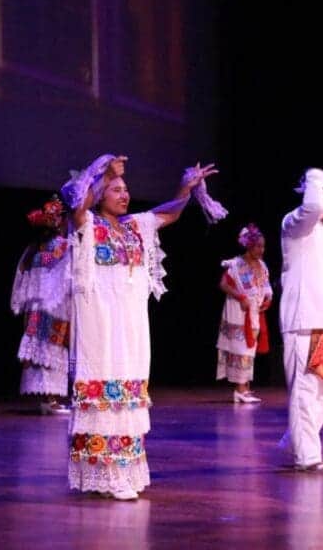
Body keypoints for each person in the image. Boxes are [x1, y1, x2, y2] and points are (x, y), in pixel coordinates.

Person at [62, 154, 218, 500]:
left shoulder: (135, 226)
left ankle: (124, 470)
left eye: (126, 189)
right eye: (115, 190)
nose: (124, 194)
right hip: (99, 324)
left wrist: (186, 187)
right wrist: (103, 172)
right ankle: (104, 474)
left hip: (131, 324)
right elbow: (76, 209)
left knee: (129, 390)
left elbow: (170, 213)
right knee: (103, 387)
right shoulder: (87, 224)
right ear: (100, 194)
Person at [278, 168, 323, 473]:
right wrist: (314, 178)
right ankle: (306, 455)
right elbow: (313, 208)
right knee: (306, 389)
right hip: (304, 321)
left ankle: (295, 441)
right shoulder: (294, 225)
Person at [11, 195, 72, 414]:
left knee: (44, 349)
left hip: (37, 305)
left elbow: (23, 279)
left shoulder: (35, 249)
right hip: (53, 305)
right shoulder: (61, 247)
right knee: (51, 349)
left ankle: (48, 399)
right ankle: (50, 399)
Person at [217, 224, 272, 403]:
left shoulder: (262, 265)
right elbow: (223, 284)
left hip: (254, 312)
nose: (261, 250)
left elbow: (265, 287)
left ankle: (245, 388)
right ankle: (239, 389)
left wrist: (267, 299)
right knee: (241, 348)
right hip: (238, 311)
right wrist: (240, 297)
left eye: (263, 246)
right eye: (258, 246)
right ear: (248, 245)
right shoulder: (236, 264)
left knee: (250, 350)